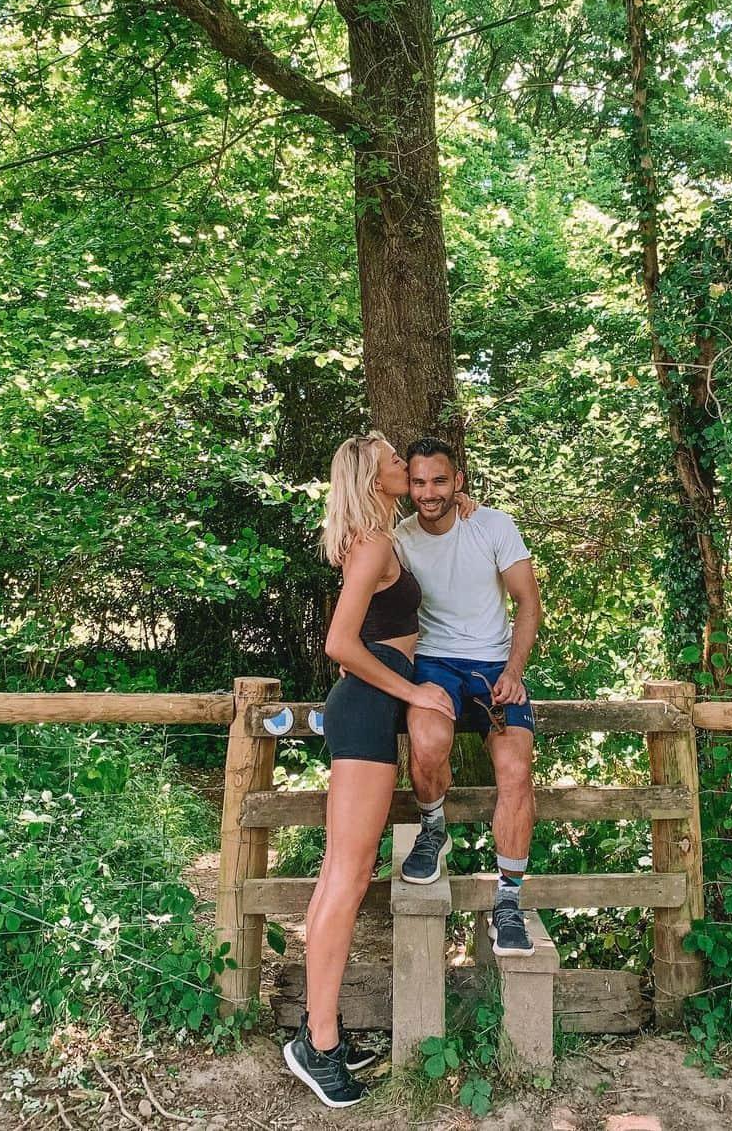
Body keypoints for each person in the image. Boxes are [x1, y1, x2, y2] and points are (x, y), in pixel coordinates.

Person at [283, 432, 456, 1109]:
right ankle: (319, 1044)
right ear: (371, 473)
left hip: (370, 711)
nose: (403, 468)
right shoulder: (375, 544)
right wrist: (413, 692)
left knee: (340, 876)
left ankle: (320, 1031)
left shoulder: (374, 534)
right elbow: (338, 643)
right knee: (348, 878)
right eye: (392, 462)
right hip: (364, 712)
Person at [395, 437, 542, 958]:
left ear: (458, 482)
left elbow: (528, 602)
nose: (428, 492)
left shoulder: (493, 525)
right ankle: (433, 829)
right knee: (427, 744)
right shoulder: (400, 539)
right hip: (433, 662)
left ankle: (509, 899)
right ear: (407, 486)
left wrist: (514, 670)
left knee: (516, 772)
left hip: (494, 665)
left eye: (439, 480)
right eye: (418, 482)